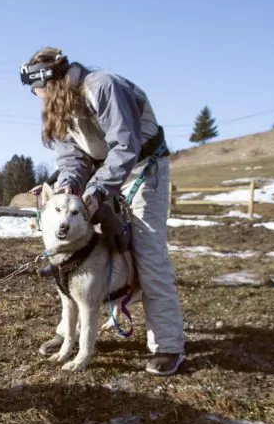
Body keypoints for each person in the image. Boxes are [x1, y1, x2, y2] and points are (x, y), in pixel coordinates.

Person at [21, 46, 185, 376]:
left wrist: (96, 191)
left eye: (37, 91)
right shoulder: (62, 108)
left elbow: (126, 146)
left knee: (148, 250)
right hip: (104, 172)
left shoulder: (102, 86)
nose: (37, 98)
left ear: (49, 82)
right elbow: (71, 157)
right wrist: (70, 185)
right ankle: (70, 333)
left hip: (142, 167)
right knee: (80, 255)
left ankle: (167, 343)